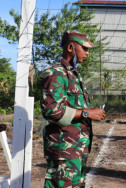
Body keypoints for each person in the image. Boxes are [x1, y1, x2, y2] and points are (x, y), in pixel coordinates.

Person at [40, 31, 106, 187]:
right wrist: (87, 113)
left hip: (76, 149)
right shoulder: (55, 73)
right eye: (84, 48)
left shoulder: (73, 75)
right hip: (64, 151)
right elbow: (50, 110)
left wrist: (92, 112)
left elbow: (72, 107)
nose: (87, 53)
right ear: (71, 47)